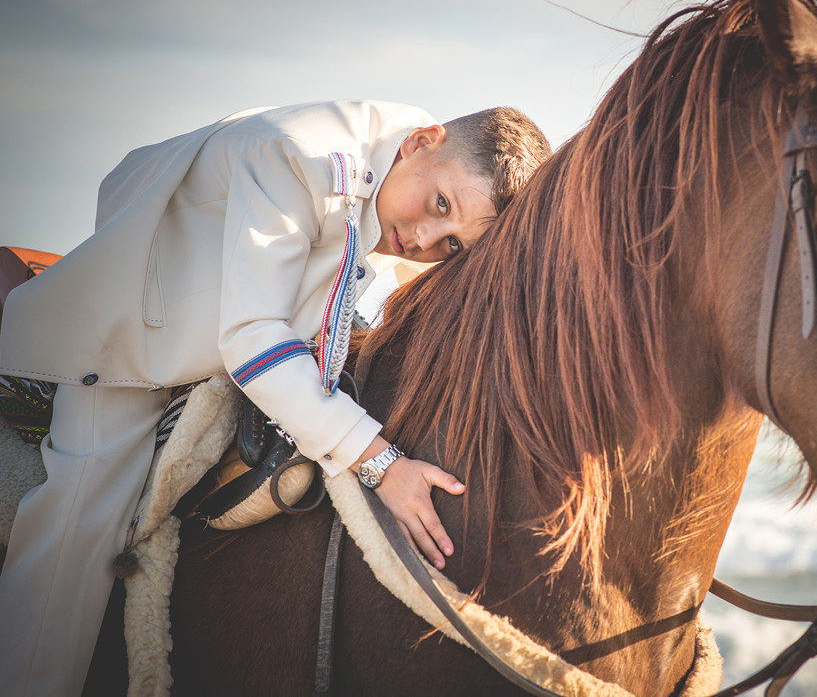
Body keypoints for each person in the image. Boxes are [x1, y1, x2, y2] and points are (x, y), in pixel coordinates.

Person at [0, 99, 552, 696]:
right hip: (127, 343)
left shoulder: (405, 169)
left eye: (451, 246)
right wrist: (381, 463)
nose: (422, 240)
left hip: (234, 329)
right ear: (423, 141)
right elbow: (254, 339)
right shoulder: (298, 155)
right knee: (81, 523)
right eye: (441, 205)